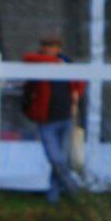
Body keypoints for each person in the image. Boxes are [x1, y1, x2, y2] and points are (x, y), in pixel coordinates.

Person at [23, 36, 85, 203]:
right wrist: (54, 62)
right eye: (45, 46)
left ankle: (53, 197)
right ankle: (76, 191)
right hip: (47, 120)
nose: (47, 49)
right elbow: (28, 58)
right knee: (56, 159)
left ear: (58, 48)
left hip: (66, 118)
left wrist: (77, 93)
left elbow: (80, 81)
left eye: (52, 46)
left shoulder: (67, 63)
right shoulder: (37, 61)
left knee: (61, 160)